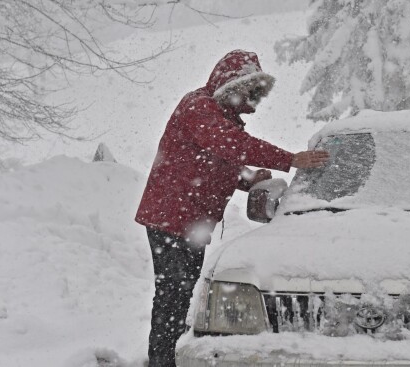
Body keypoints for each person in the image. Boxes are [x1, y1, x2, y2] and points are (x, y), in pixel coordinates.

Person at [134, 50, 329, 367]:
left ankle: (167, 353)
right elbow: (232, 147)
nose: (250, 100)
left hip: (190, 219)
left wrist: (256, 180)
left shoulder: (220, 119)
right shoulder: (199, 107)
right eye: (247, 91)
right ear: (230, 85)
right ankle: (160, 360)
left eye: (254, 94)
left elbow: (222, 164)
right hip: (170, 216)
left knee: (181, 291)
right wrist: (289, 159)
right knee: (173, 292)